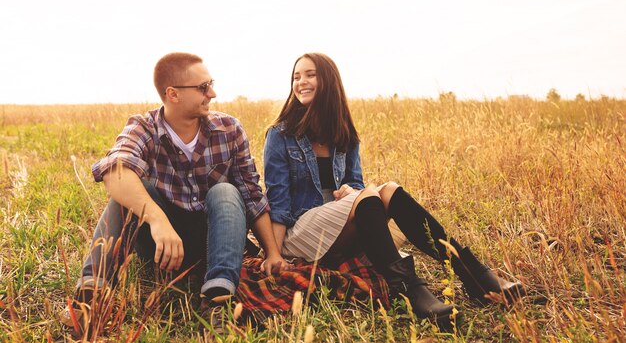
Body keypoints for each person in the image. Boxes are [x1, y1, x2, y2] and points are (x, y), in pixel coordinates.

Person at [263, 53, 525, 331]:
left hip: (342, 232)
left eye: (310, 74)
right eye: (296, 76)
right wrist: (274, 254)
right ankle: (410, 290)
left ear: (328, 80)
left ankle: (471, 273)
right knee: (375, 193)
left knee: (389, 190)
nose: (301, 81)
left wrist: (351, 191)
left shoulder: (344, 134)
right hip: (302, 235)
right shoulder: (280, 135)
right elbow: (278, 202)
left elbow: (358, 185)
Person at [71, 52, 288, 322]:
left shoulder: (230, 129)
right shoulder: (143, 127)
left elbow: (252, 195)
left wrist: (273, 253)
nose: (213, 93)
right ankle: (91, 294)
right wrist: (157, 219)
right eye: (203, 87)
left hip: (214, 244)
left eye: (211, 84)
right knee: (130, 191)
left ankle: (218, 299)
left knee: (226, 191)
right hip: (162, 247)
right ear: (173, 94)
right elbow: (115, 172)